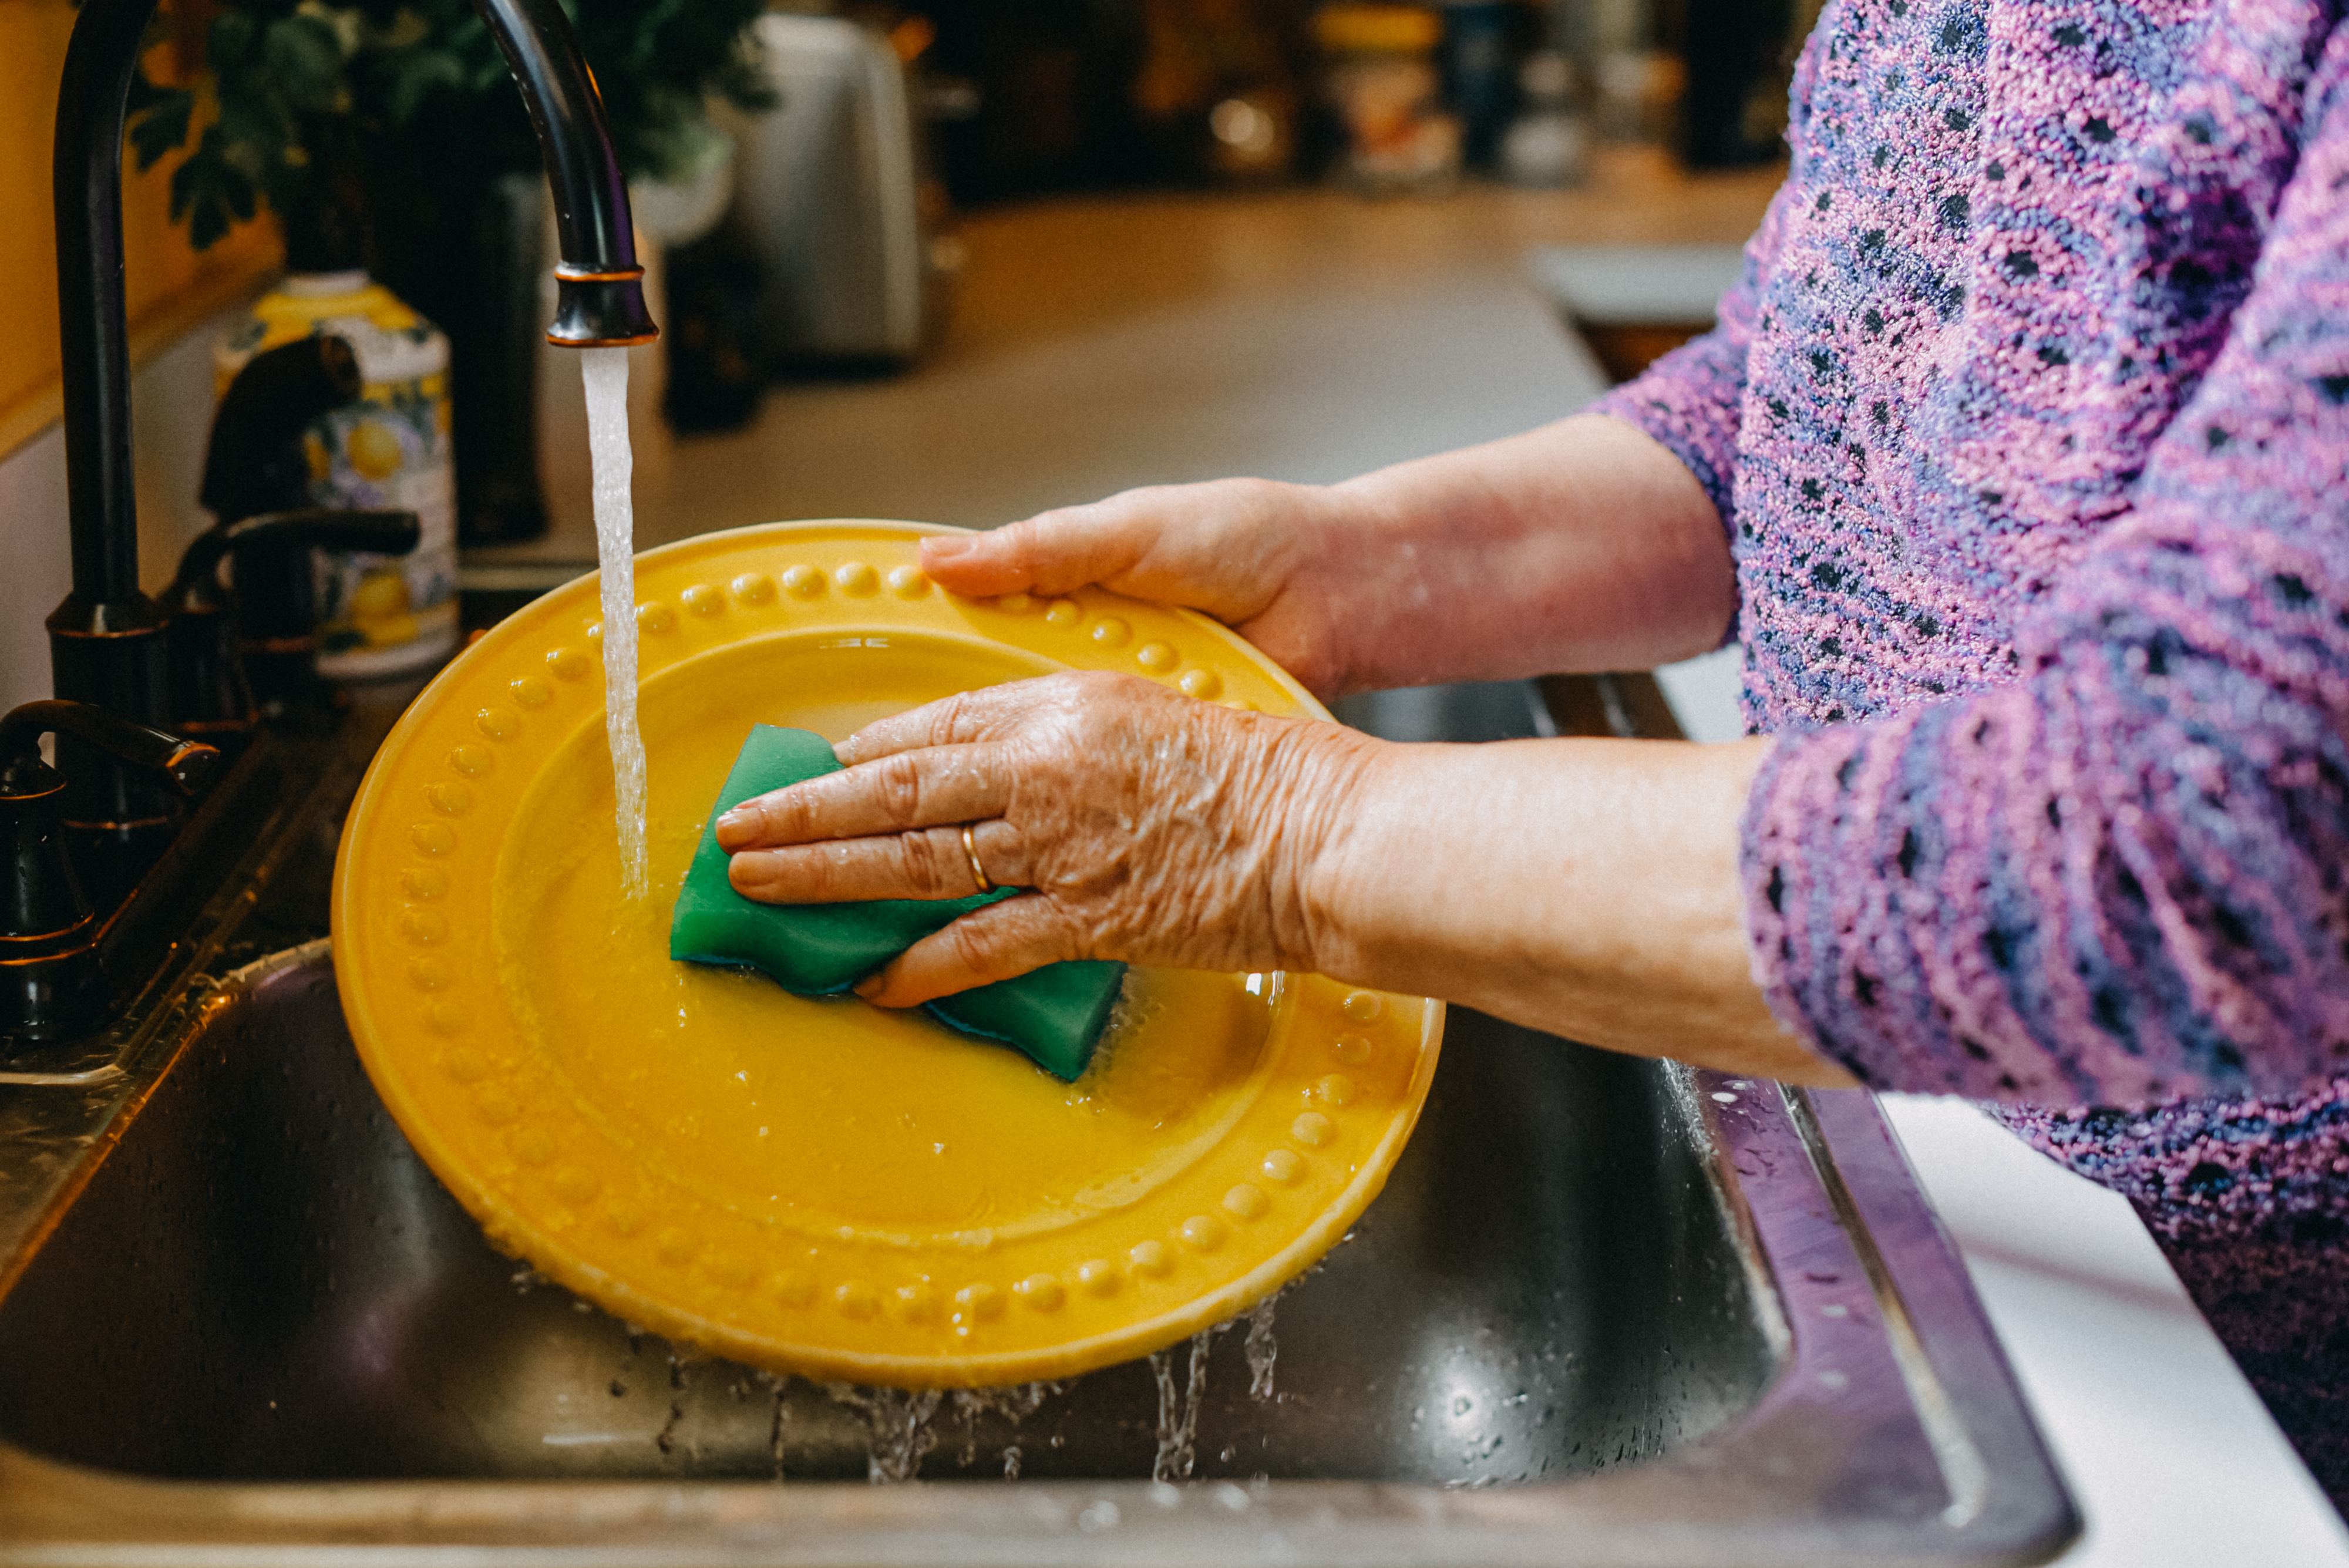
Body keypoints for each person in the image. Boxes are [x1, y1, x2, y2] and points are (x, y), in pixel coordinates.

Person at [714, 0, 2349, 1505]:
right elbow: (1813, 402)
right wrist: (1358, 566)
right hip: (1982, 1183)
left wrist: (1278, 835)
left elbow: (2190, 841)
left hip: (2265, 1391)